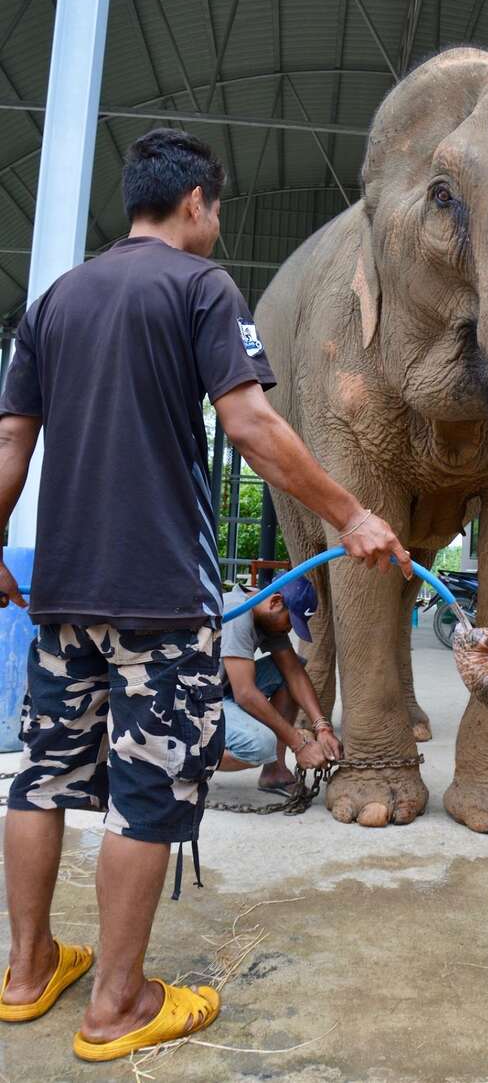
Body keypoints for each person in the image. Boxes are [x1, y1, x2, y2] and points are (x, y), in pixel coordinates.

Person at [0, 128, 411, 1062]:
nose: (217, 225)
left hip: (62, 594)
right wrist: (352, 515)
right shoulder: (199, 288)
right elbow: (253, 424)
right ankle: (116, 1002)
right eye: (217, 209)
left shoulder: (56, 298)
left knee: (41, 775)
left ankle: (24, 975)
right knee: (144, 793)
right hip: (158, 595)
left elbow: (11, 444)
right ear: (195, 203)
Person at [217, 575, 342, 790]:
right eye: (290, 622)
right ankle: (181, 763)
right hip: (191, 702)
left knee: (287, 673)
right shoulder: (237, 612)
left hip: (218, 687)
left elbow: (293, 672)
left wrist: (323, 728)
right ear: (275, 602)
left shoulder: (266, 615)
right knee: (260, 744)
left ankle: (274, 772)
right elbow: (245, 694)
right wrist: (299, 743)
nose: (289, 631)